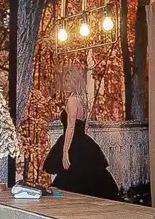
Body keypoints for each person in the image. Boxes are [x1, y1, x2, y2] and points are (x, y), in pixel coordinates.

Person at [44, 66, 119, 200]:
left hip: (73, 144)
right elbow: (85, 126)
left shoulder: (72, 100)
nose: (66, 85)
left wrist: (65, 152)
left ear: (75, 82)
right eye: (65, 81)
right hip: (83, 143)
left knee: (70, 178)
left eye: (69, 81)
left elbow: (71, 127)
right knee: (81, 178)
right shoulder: (83, 101)